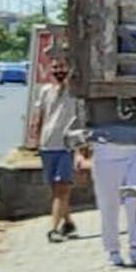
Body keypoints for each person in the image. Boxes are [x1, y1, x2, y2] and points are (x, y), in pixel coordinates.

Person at [29, 53, 86, 241]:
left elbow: (84, 122)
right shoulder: (45, 91)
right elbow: (38, 116)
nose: (59, 72)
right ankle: (68, 222)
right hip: (47, 145)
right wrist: (35, 140)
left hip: (66, 146)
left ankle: (53, 229)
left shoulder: (76, 92)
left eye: (62, 68)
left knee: (62, 189)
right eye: (55, 68)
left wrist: (82, 151)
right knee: (56, 190)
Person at [88, 133, 136, 268]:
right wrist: (79, 154)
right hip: (105, 159)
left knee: (134, 201)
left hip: (135, 156)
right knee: (109, 206)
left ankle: (135, 247)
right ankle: (113, 250)